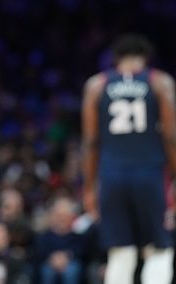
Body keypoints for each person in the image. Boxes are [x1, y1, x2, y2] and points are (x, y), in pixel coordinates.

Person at [81, 33, 176, 284]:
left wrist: (90, 186)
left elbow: (90, 142)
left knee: (120, 253)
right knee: (158, 249)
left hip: (111, 174)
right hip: (150, 173)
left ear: (115, 60)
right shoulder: (159, 82)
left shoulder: (97, 85)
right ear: (146, 58)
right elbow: (171, 137)